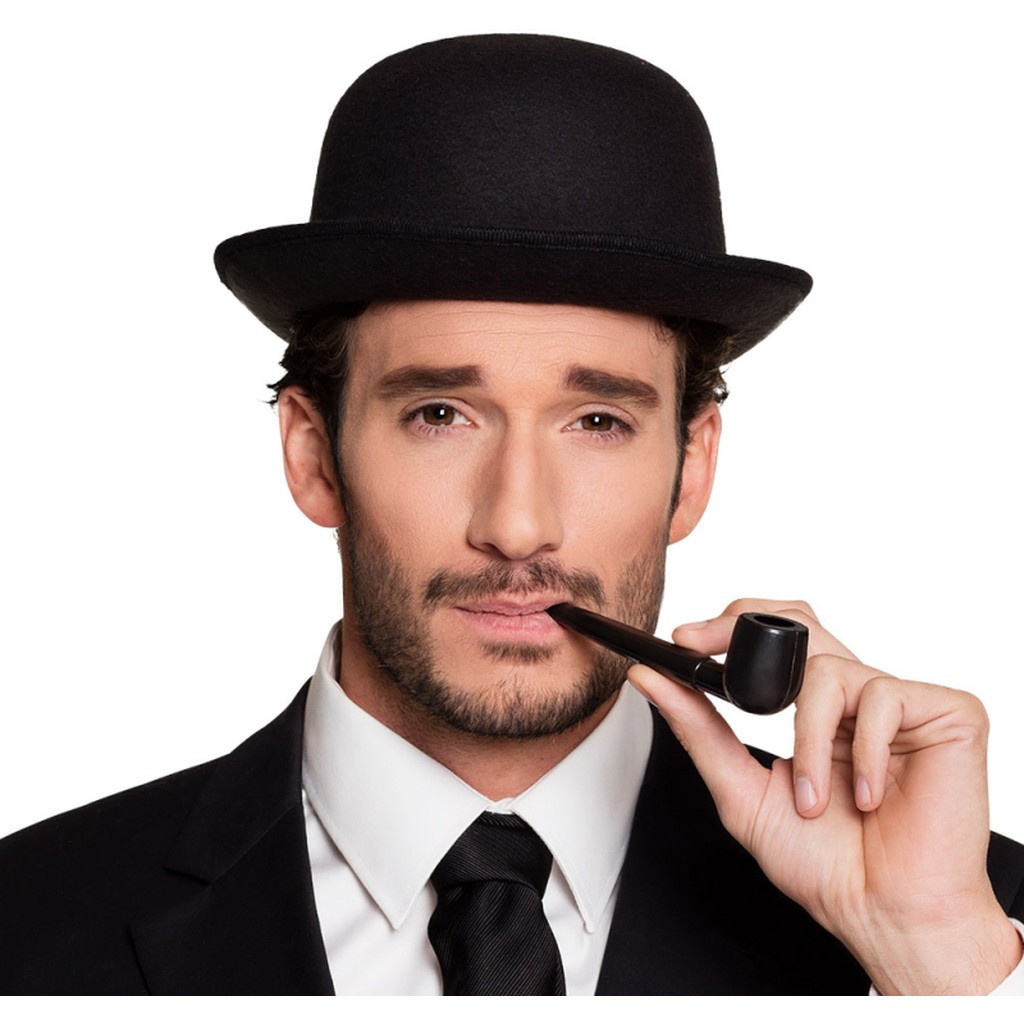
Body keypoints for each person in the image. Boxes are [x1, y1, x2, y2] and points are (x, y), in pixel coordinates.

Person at [1, 33, 1021, 996]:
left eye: (597, 422)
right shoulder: (30, 924)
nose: (519, 524)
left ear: (692, 467)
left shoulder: (972, 927)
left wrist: (936, 961)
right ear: (313, 456)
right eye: (440, 414)